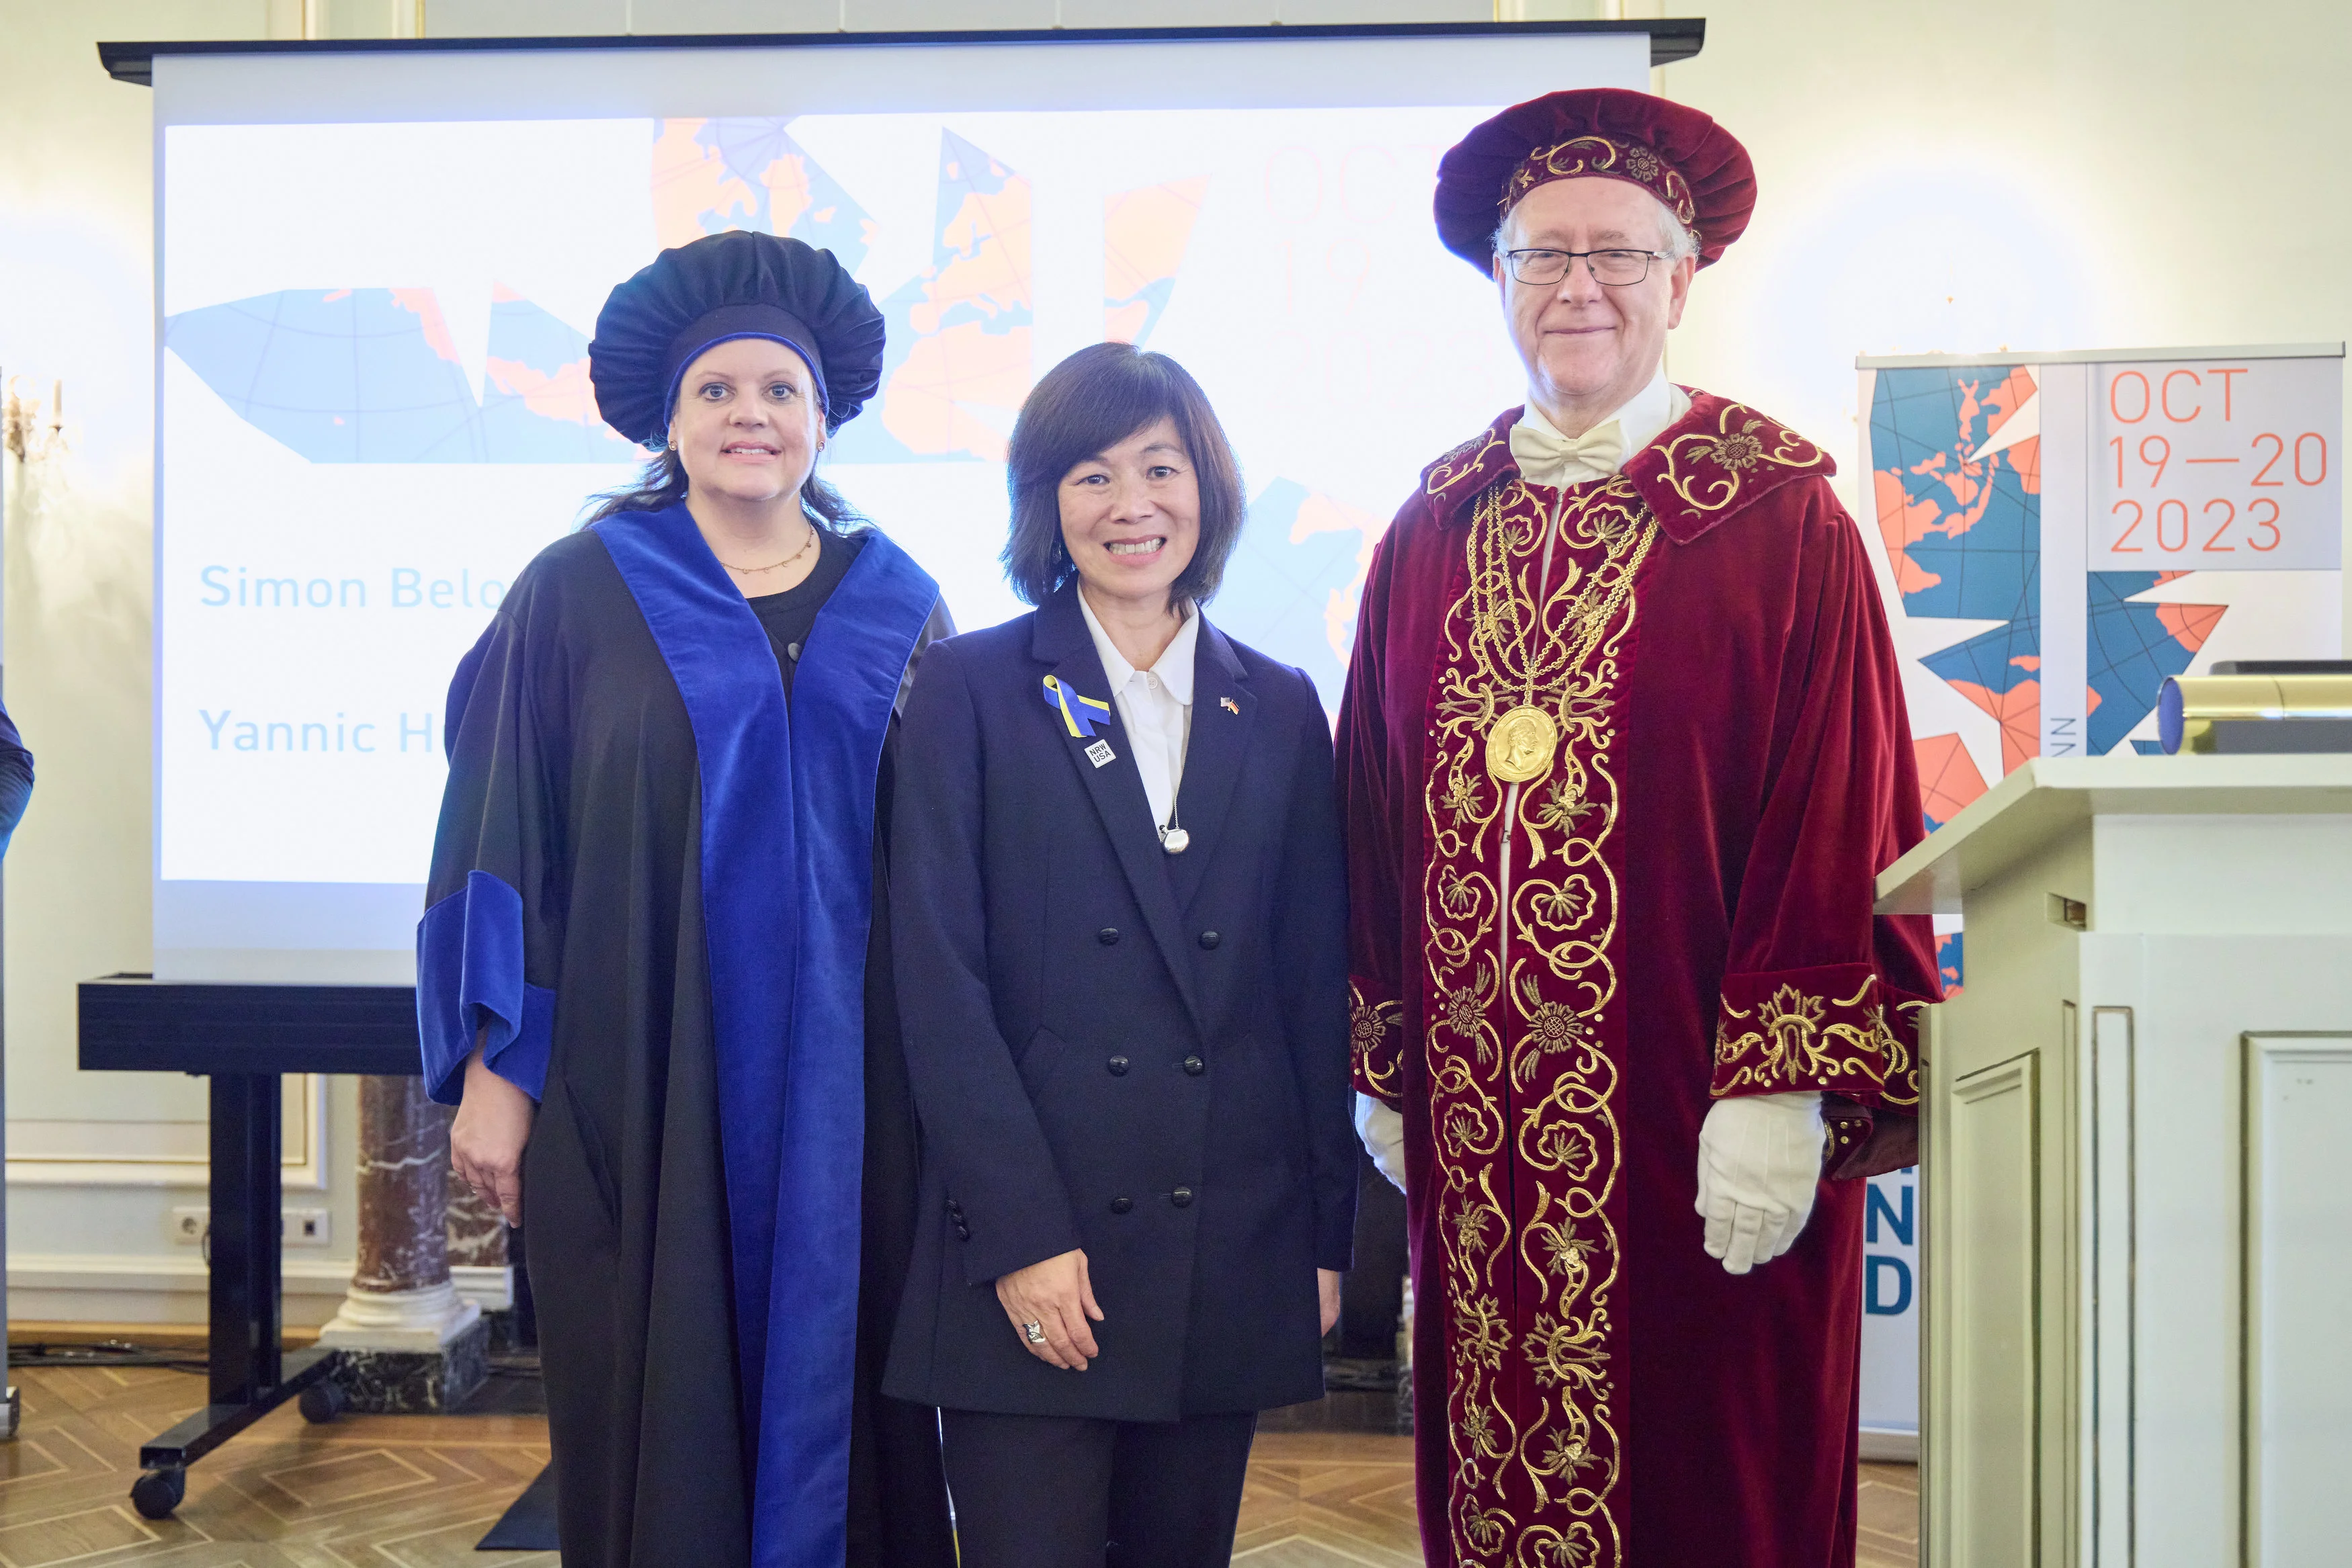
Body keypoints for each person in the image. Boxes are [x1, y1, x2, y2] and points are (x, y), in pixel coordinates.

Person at [1339, 89, 1943, 1567]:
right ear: (1498, 283)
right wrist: (1388, 1058)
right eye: (1542, 257)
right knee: (1495, 1474)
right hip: (1484, 1137)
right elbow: (1369, 805)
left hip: (1696, 1110)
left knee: (1710, 1468)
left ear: (1680, 279)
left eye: (1616, 254)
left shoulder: (1782, 517)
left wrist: (1780, 1086)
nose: (1578, 287)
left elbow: (1838, 805)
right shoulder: (1430, 527)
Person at [421, 230, 956, 1568]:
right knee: (649, 1411)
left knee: (864, 1412)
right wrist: (497, 1063)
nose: (750, 417)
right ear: (669, 419)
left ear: (823, 417)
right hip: (638, 1078)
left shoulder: (900, 603)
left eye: (779, 390)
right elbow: (499, 830)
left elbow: (953, 859)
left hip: (861, 1100)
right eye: (717, 391)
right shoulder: (578, 594)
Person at [884, 342, 1358, 1568]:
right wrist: (1024, 1240)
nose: (1131, 504)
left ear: (1210, 486)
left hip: (1228, 1238)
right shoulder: (966, 687)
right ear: (1046, 503)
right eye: (1091, 476)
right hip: (1032, 1246)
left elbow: (1308, 986)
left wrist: (1320, 1234)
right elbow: (938, 984)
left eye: (1161, 467)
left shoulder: (1285, 703)